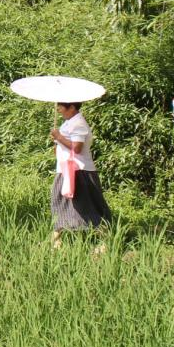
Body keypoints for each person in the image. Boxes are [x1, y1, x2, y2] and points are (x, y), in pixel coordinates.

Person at [48, 101, 111, 244]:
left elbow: (77, 148)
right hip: (67, 171)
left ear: (71, 107)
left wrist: (59, 137)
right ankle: (56, 242)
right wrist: (58, 144)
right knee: (60, 204)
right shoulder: (69, 122)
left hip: (79, 172)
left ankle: (105, 242)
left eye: (61, 106)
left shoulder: (78, 123)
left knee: (88, 207)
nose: (58, 109)